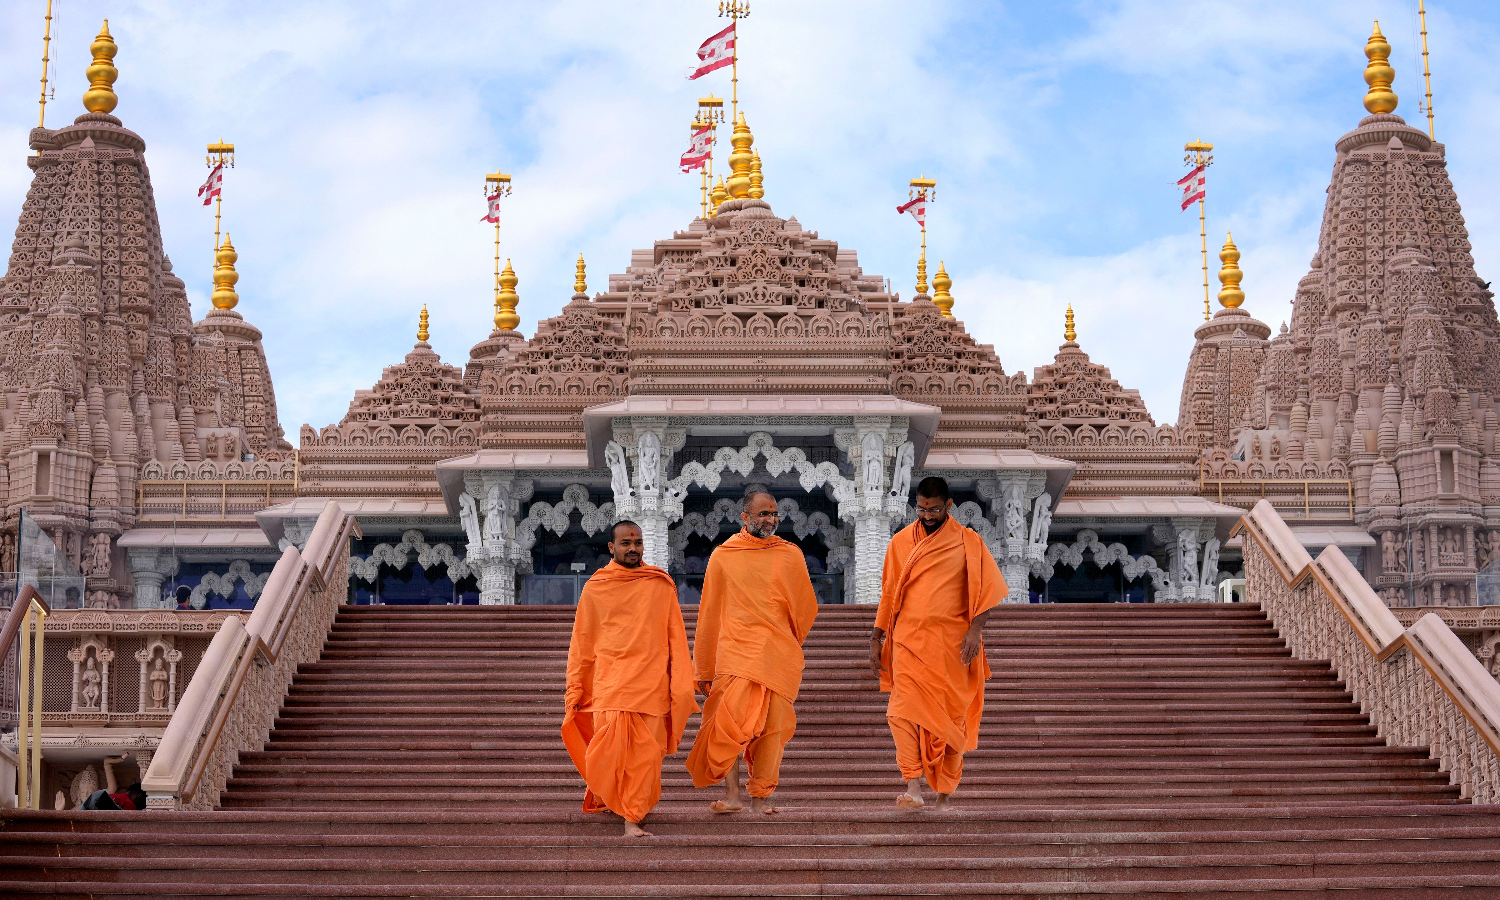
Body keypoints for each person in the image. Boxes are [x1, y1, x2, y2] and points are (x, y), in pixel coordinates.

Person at [870, 476, 1005, 811]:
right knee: (900, 713)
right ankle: (913, 788)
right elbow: (889, 593)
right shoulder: (901, 542)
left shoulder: (968, 542)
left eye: (933, 509)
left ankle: (944, 795)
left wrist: (975, 631)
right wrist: (876, 635)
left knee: (951, 721)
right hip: (908, 642)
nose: (926, 514)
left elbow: (988, 592)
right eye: (920, 508)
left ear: (948, 505)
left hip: (952, 645)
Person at [686, 490, 819, 815]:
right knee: (726, 727)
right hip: (734, 654)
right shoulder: (724, 555)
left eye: (774, 513)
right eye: (763, 514)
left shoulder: (790, 555)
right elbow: (710, 611)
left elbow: (806, 607)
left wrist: (785, 640)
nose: (770, 519)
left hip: (775, 656)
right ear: (744, 518)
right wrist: (703, 667)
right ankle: (733, 796)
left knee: (772, 730)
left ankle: (760, 797)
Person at [562, 520, 697, 837]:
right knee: (607, 754)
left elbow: (676, 636)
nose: (632, 548)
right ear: (612, 547)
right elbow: (582, 643)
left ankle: (632, 818)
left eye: (637, 543)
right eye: (625, 543)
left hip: (650, 686)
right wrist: (575, 688)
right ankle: (614, 798)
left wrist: (681, 682)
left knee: (643, 758)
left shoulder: (658, 584)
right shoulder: (596, 587)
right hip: (610, 684)